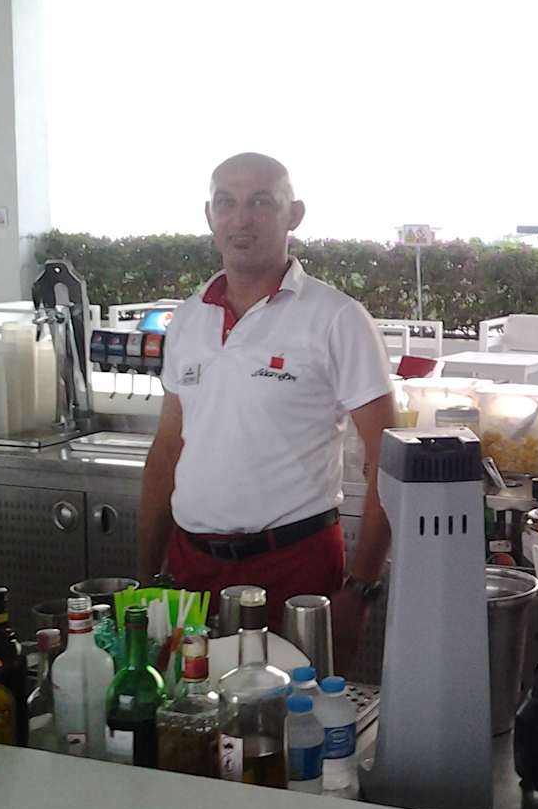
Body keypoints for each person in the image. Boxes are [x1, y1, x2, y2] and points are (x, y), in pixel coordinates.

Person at [137, 152, 395, 667]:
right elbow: (168, 450)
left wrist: (361, 587)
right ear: (209, 215)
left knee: (295, 713)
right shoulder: (188, 318)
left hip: (295, 568)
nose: (241, 219)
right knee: (189, 709)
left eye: (260, 202)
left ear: (293, 214)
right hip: (192, 571)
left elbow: (388, 457)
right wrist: (145, 580)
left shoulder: (336, 318)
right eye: (226, 202)